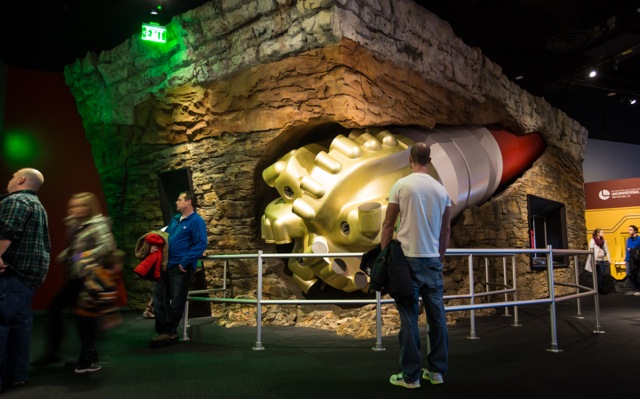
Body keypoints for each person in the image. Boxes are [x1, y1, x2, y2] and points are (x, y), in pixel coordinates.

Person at [381, 143, 452, 389]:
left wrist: (385, 256)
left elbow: (388, 225)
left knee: (409, 318)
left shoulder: (401, 185)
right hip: (432, 260)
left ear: (410, 159)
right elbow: (446, 229)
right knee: (437, 317)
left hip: (407, 261)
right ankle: (437, 372)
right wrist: (439, 256)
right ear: (429, 160)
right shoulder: (442, 191)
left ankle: (410, 376)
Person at [33, 192, 116, 366]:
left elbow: (107, 247)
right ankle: (85, 355)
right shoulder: (75, 224)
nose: (76, 209)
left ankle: (76, 355)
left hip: (88, 276)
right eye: (73, 206)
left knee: (67, 312)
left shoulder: (97, 224)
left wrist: (80, 256)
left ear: (89, 207)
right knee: (79, 316)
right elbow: (76, 250)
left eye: (81, 205)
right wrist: (69, 255)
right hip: (76, 275)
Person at [0, 168, 50, 390]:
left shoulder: (17, 200)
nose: (9, 180)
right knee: (20, 324)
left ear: (20, 180)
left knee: (1, 322)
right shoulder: (38, 206)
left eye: (12, 176)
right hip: (29, 276)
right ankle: (17, 375)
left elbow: (7, 231)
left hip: (12, 273)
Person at [151, 191, 207, 347]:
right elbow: (165, 237)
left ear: (188, 202)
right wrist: (156, 246)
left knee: (176, 301)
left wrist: (185, 261)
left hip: (180, 268)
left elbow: (201, 243)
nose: (176, 202)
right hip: (166, 265)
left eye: (179, 199)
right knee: (159, 297)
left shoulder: (197, 221)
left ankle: (168, 332)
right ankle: (166, 330)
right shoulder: (175, 219)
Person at [72, 249, 124, 373]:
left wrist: (82, 255)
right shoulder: (108, 284)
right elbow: (106, 305)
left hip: (79, 311)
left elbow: (79, 259)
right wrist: (111, 319)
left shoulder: (95, 271)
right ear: (116, 265)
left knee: (85, 339)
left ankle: (88, 359)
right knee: (90, 340)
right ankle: (83, 365)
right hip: (90, 314)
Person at [585, 228, 612, 294]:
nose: (603, 233)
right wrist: (593, 260)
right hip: (596, 260)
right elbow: (591, 251)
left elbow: (606, 250)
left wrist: (609, 259)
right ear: (598, 233)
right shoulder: (593, 241)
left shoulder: (603, 241)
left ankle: (603, 289)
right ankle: (599, 289)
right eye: (602, 232)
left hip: (603, 259)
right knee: (600, 275)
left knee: (604, 275)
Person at [625, 225, 640, 295]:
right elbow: (626, 249)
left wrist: (632, 250)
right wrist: (625, 259)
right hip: (628, 259)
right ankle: (634, 288)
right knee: (629, 273)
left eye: (630, 230)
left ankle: (638, 289)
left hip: (636, 259)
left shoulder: (639, 239)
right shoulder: (628, 239)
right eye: (628, 230)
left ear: (635, 231)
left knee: (636, 274)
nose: (629, 231)